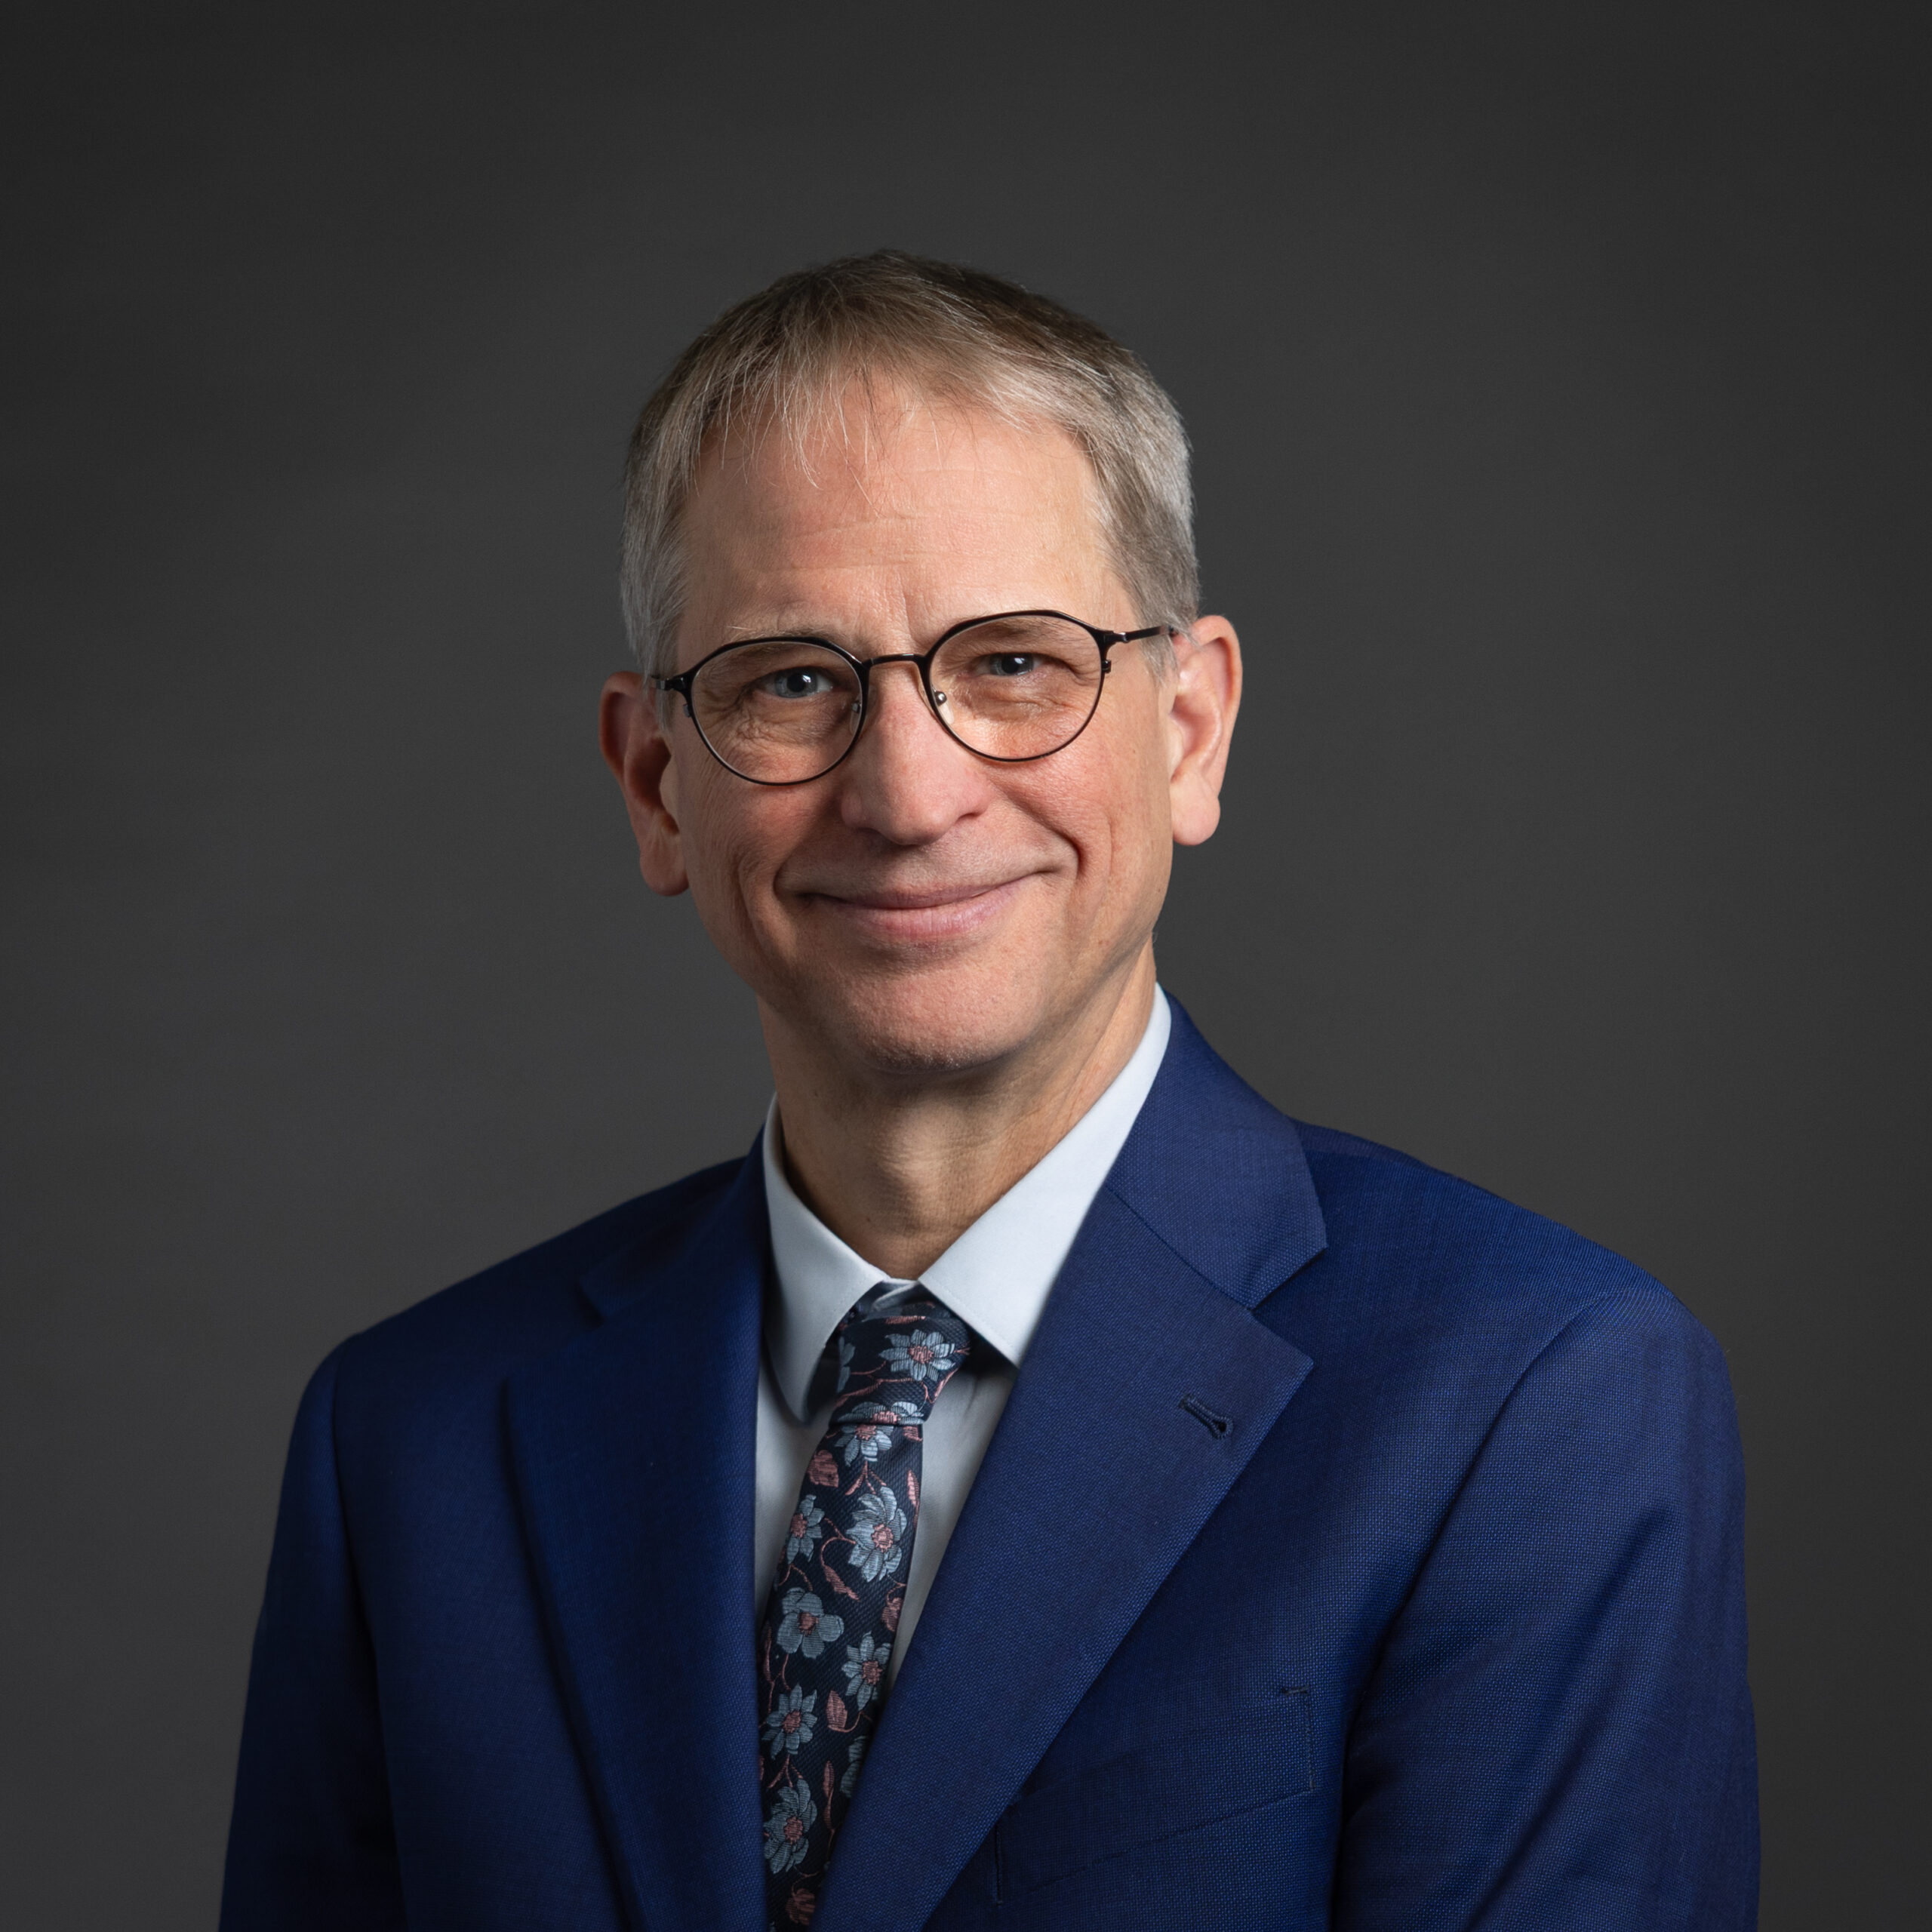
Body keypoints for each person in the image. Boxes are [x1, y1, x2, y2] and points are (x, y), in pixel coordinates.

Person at [220, 252, 1757, 1932]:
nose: (907, 788)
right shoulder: (414, 1439)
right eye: (792, 677)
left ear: (1186, 730)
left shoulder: (1528, 1398)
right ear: (656, 785)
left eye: (1015, 663)